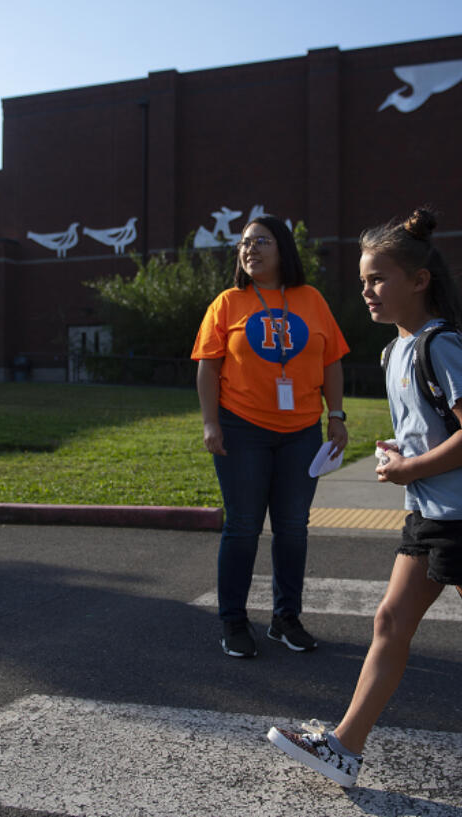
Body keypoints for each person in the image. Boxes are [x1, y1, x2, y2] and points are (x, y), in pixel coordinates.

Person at [267, 209, 462, 797]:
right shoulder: (397, 350)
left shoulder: (443, 345)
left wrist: (408, 466)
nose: (367, 291)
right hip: (431, 513)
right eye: (363, 281)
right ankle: (345, 746)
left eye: (379, 279)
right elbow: (436, 430)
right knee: (390, 620)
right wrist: (401, 451)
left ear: (419, 280)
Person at [191, 215, 349, 658]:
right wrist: (210, 423)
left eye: (261, 241)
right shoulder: (228, 302)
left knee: (293, 529)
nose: (250, 249)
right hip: (242, 429)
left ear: (283, 248)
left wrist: (335, 415)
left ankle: (286, 619)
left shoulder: (311, 299)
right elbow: (208, 365)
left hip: (302, 431)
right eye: (244, 243)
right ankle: (234, 621)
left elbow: (331, 361)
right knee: (242, 527)